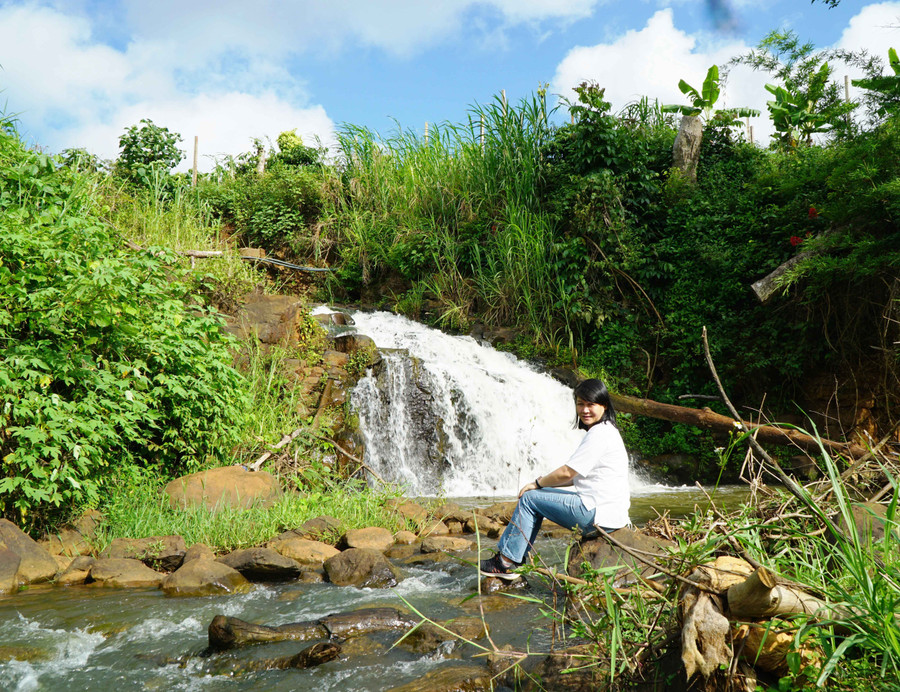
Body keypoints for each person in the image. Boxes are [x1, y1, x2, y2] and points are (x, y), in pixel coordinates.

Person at [479, 378, 630, 580]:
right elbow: (576, 476)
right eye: (580, 404)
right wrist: (543, 483)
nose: (585, 410)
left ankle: (506, 563)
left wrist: (537, 484)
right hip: (611, 515)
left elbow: (568, 473)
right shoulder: (608, 431)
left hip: (595, 514)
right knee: (536, 497)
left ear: (603, 405)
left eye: (590, 404)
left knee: (530, 498)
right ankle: (514, 558)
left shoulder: (599, 434)